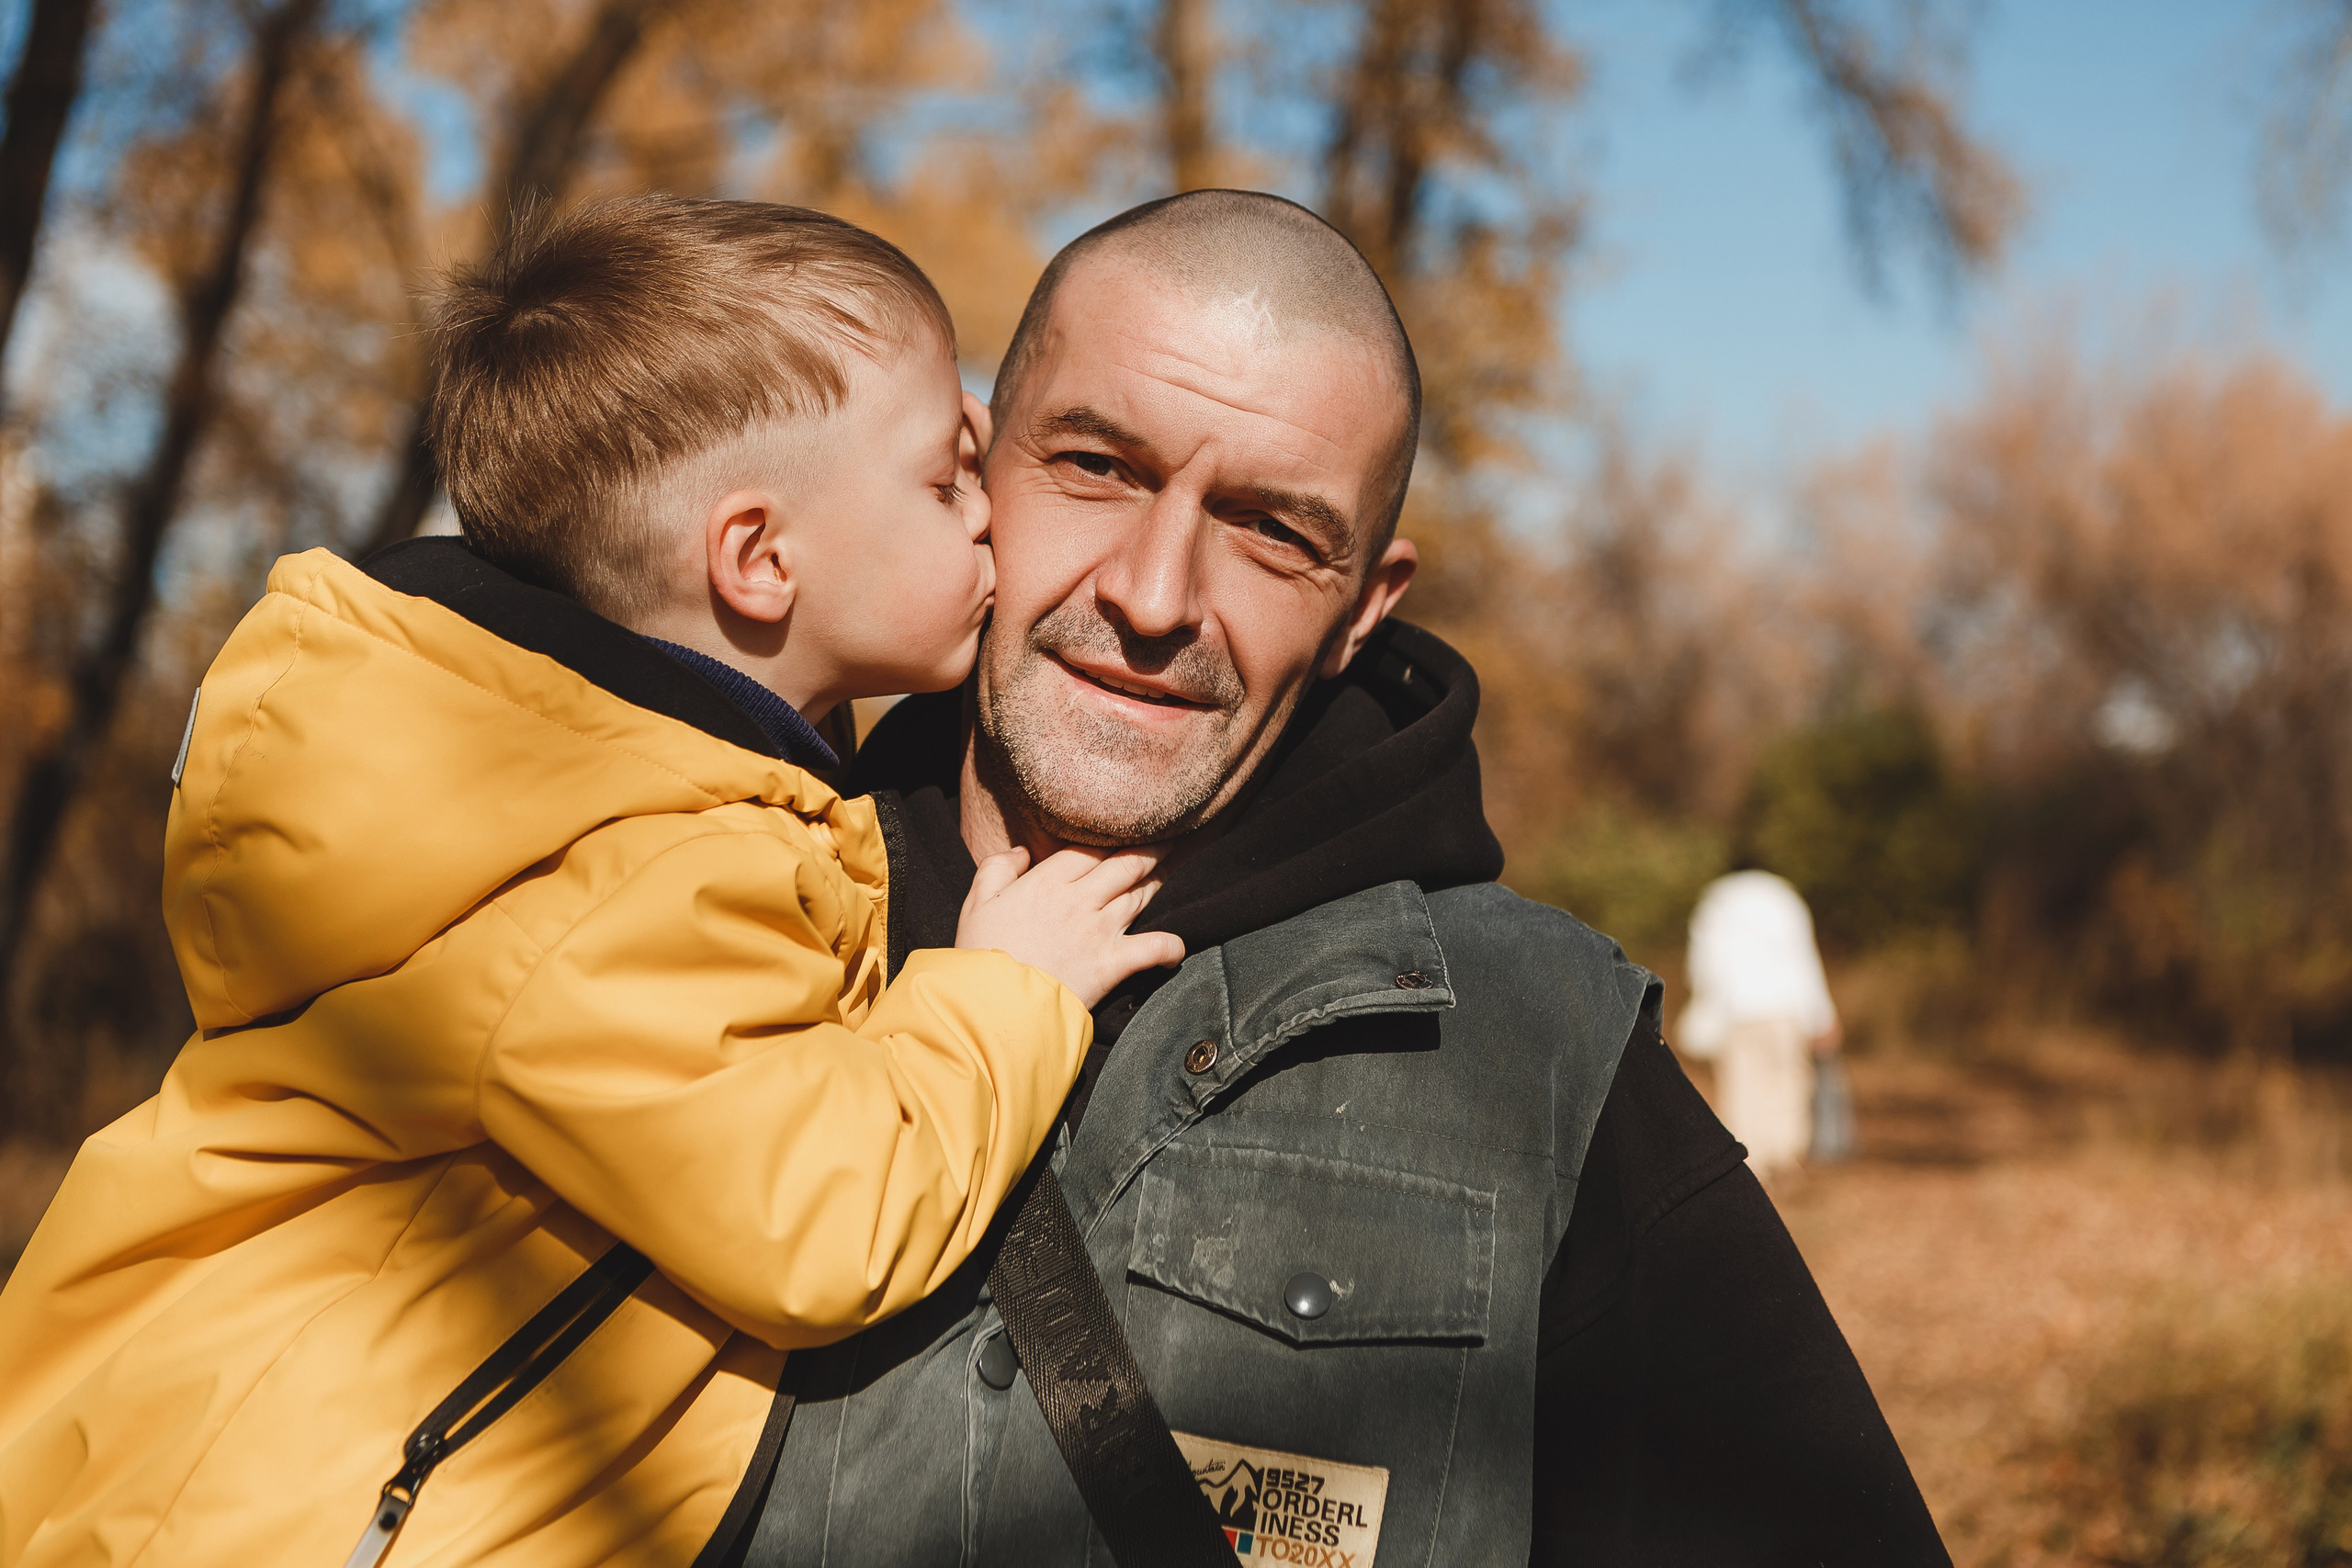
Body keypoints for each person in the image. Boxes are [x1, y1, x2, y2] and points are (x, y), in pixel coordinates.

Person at [731, 190, 1950, 1566]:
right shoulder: (697, 913)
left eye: (1271, 529)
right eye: (1099, 466)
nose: (1152, 591)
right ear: (970, 464)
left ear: (1366, 605)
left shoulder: (1538, 1054)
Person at [0, 198, 1183, 1568]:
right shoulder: (633, 876)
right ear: (759, 559)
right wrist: (1006, 993)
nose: (993, 517)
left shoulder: (585, 792)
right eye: (943, 480)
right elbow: (816, 1217)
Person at [1678, 870, 1846, 1181]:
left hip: (1737, 1009)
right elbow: (1804, 959)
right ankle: (1783, 1158)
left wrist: (1705, 1010)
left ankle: (1748, 1163)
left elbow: (1703, 964)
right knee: (1789, 1082)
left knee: (1742, 1085)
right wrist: (1822, 1014)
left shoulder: (1717, 900)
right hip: (1786, 1008)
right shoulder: (1785, 896)